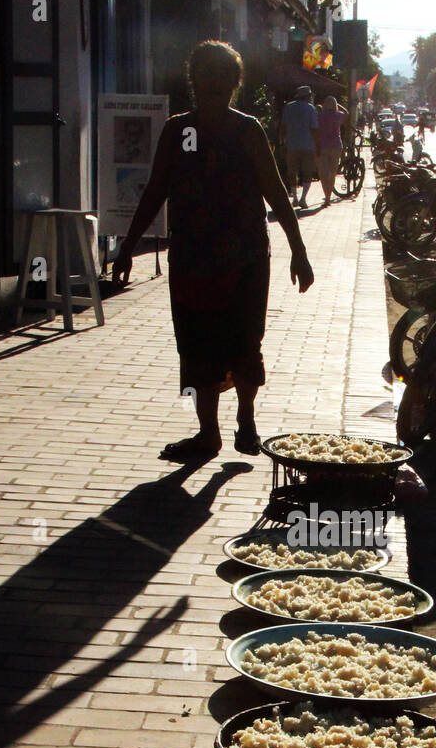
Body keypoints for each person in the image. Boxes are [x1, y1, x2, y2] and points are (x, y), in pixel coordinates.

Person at [113, 41, 314, 462]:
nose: (215, 85)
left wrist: (299, 249)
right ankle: (211, 433)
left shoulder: (246, 131)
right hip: (197, 260)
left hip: (238, 259)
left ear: (233, 83)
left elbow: (275, 192)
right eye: (210, 77)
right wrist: (127, 246)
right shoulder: (179, 131)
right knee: (200, 345)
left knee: (235, 342)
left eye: (222, 78)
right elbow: (156, 193)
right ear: (197, 81)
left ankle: (243, 420)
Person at [280, 85, 319, 208]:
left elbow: (283, 126)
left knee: (292, 172)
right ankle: (303, 198)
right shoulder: (311, 109)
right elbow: (314, 129)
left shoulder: (289, 107)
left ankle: (295, 198)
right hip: (308, 145)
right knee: (307, 172)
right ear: (307, 97)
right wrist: (317, 145)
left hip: (292, 144)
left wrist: (282, 142)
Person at [316, 95, 348, 207]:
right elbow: (347, 114)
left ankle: (327, 197)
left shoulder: (319, 116)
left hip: (323, 146)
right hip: (336, 145)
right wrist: (338, 105)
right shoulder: (338, 115)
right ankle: (329, 197)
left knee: (323, 173)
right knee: (332, 173)